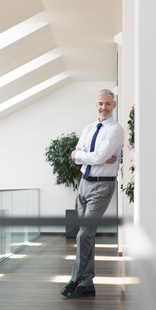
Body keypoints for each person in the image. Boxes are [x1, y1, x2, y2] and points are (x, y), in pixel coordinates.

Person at [61, 89, 124, 298]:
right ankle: (87, 284)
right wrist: (90, 156)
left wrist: (84, 155)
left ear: (113, 105)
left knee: (84, 233)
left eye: (107, 104)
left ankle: (75, 278)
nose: (103, 108)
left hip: (102, 185)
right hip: (84, 183)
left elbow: (91, 156)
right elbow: (77, 156)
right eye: (100, 104)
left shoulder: (115, 130)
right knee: (87, 234)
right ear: (96, 105)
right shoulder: (88, 128)